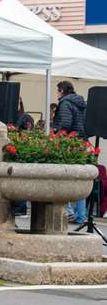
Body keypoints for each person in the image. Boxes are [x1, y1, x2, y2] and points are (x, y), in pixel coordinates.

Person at [55, 80, 88, 224]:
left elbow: (65, 123)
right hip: (82, 141)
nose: (56, 94)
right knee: (80, 178)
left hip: (69, 142)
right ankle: (81, 215)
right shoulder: (82, 103)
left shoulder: (65, 103)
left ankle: (68, 212)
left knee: (64, 175)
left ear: (62, 90)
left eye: (57, 90)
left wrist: (57, 133)